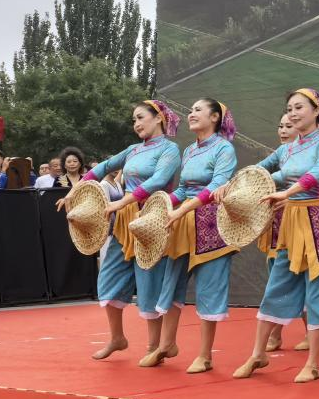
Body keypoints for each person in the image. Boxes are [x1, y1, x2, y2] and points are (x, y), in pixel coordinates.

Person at [233, 89, 319, 383]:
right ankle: (258, 354)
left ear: (316, 110)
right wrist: (233, 186)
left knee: (318, 291)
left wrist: (288, 192)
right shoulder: (286, 150)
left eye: (299, 107)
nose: (293, 113)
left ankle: (313, 364)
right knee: (277, 285)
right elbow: (262, 172)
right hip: (292, 223)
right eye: (289, 108)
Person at [60, 101, 181, 361]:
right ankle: (117, 338)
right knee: (108, 278)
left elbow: (159, 180)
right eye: (134, 120)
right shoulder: (132, 150)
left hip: (151, 219)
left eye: (140, 117)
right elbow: (102, 168)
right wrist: (74, 191)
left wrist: (123, 201)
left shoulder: (170, 149)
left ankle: (154, 347)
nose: (136, 124)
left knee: (149, 282)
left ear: (158, 118)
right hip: (125, 222)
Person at [145, 98, 239, 374]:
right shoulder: (189, 150)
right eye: (190, 110)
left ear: (215, 117)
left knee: (209, 287)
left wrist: (182, 208)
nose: (191, 113)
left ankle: (205, 355)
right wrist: (161, 205)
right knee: (172, 283)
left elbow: (217, 185)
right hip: (184, 224)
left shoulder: (224, 148)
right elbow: (183, 189)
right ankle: (166, 345)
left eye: (198, 110)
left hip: (212, 227)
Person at [258, 112, 297, 353]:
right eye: (280, 125)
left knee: (294, 272)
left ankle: (276, 333)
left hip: (299, 219)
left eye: (289, 126)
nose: (283, 130)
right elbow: (259, 171)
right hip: (276, 220)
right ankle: (277, 333)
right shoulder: (281, 152)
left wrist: (292, 197)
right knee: (278, 271)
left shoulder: (316, 151)